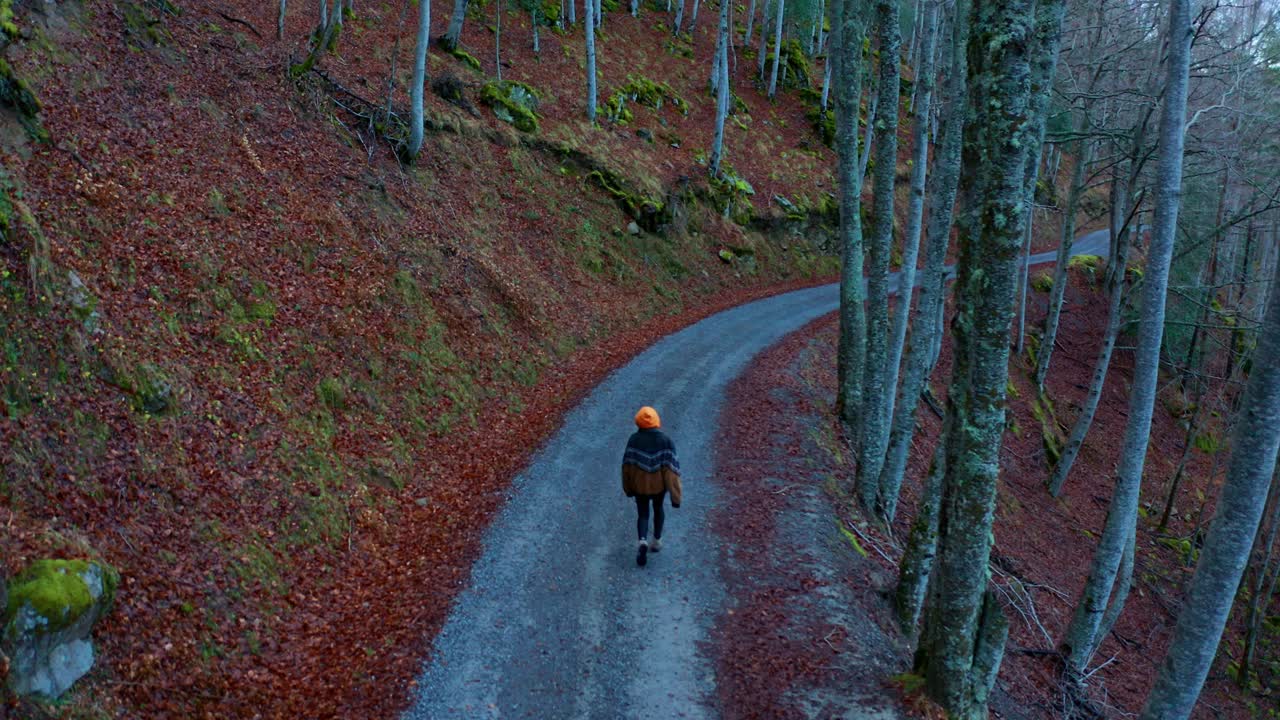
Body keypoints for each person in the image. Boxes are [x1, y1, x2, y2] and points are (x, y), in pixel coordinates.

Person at [621, 406, 683, 567]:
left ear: (638, 423)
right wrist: (676, 497)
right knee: (658, 508)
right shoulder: (666, 441)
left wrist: (628, 488)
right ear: (656, 421)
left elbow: (627, 466)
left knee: (642, 513)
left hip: (639, 487)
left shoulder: (633, 440)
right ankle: (656, 540)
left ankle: (642, 540)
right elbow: (671, 471)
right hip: (659, 487)